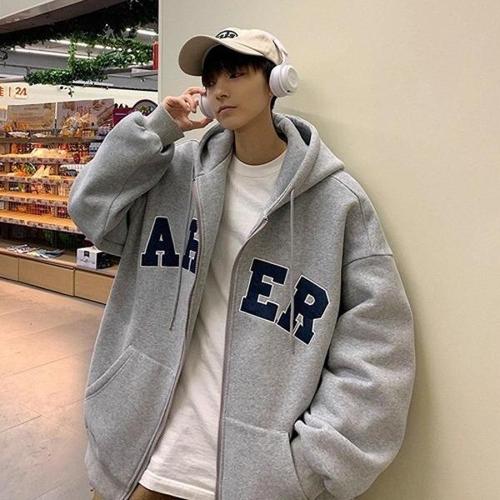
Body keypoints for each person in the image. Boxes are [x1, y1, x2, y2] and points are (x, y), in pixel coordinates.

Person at [69, 27, 416, 500]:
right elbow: (90, 209)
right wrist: (156, 130)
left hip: (254, 477)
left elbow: (378, 345)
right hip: (139, 450)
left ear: (277, 82)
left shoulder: (337, 204)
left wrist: (310, 465)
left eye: (236, 74)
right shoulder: (175, 173)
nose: (220, 90)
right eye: (211, 80)